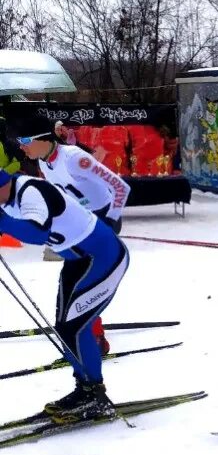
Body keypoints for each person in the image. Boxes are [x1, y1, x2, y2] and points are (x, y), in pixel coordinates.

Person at [0, 169, 129, 421]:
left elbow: (36, 233)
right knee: (64, 329)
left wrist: (2, 222)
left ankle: (94, 394)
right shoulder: (7, 200)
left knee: (76, 329)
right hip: (77, 262)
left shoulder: (31, 191)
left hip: (104, 258)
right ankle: (84, 388)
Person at [15, 117, 131, 353]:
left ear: (42, 138)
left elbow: (120, 187)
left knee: (86, 280)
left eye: (25, 140)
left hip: (103, 218)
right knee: (78, 278)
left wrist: (109, 220)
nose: (21, 146)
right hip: (81, 223)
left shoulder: (74, 158)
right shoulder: (44, 162)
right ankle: (87, 326)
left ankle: (94, 336)